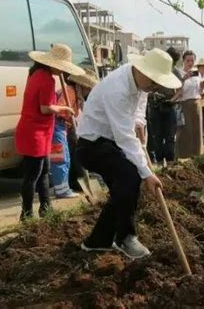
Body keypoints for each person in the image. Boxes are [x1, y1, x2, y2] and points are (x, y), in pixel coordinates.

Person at [76, 49, 181, 259]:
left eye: (157, 83)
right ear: (141, 69)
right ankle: (125, 237)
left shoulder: (141, 82)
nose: (154, 87)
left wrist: (140, 123)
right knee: (130, 177)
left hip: (110, 141)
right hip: (92, 145)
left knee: (122, 189)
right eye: (153, 81)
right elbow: (125, 137)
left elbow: (139, 107)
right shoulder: (118, 89)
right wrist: (147, 173)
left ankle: (97, 241)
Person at [15, 44, 84, 220]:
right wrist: (65, 108)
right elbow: (45, 108)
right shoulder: (46, 80)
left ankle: (46, 208)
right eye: (61, 67)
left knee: (44, 169)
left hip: (41, 131)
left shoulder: (36, 74)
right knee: (33, 175)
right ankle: (27, 213)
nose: (62, 71)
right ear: (52, 64)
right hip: (35, 133)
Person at [50, 70, 98, 198]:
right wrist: (68, 115)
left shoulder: (78, 96)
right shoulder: (70, 92)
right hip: (57, 125)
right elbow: (58, 112)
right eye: (89, 88)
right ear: (84, 86)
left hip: (65, 126)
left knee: (70, 154)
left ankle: (70, 184)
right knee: (60, 157)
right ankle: (61, 190)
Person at [147, 47, 184, 165]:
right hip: (155, 107)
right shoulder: (156, 69)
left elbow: (180, 90)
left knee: (169, 137)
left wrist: (172, 100)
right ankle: (158, 161)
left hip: (169, 107)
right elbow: (147, 87)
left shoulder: (176, 72)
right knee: (156, 136)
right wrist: (153, 93)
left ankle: (170, 162)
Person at [175, 50, 203, 159]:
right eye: (188, 60)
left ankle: (196, 155)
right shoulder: (180, 74)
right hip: (184, 104)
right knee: (184, 131)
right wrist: (184, 79)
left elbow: (200, 92)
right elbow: (177, 90)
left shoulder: (198, 74)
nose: (190, 63)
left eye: (192, 60)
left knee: (196, 131)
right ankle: (182, 155)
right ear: (183, 61)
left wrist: (203, 85)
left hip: (196, 104)